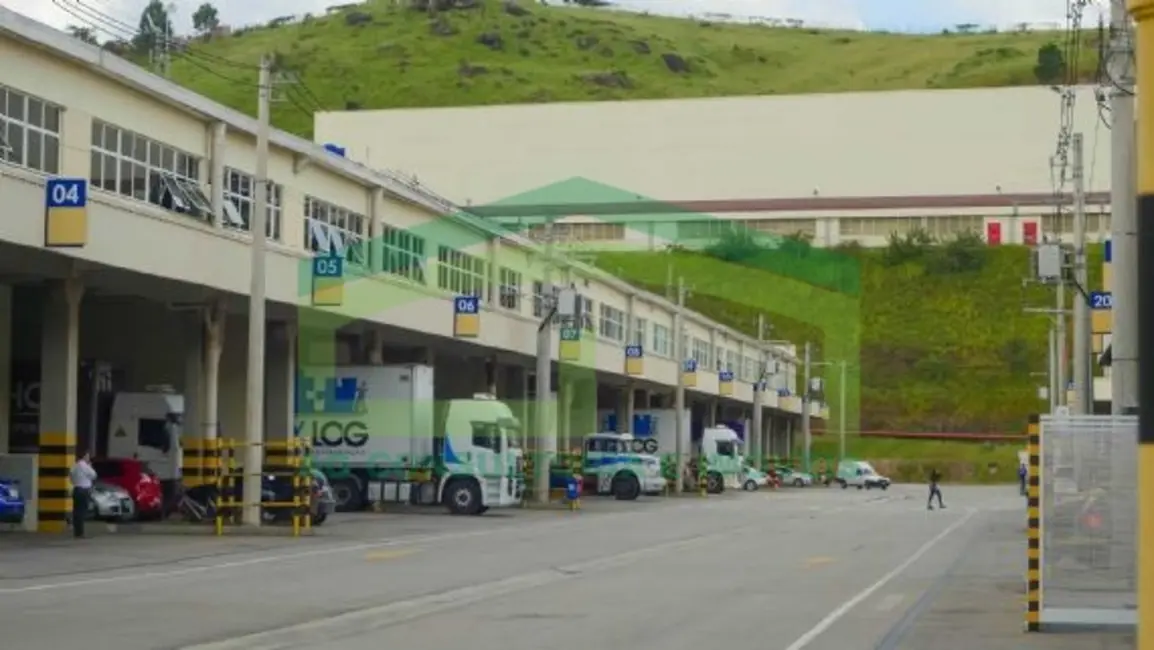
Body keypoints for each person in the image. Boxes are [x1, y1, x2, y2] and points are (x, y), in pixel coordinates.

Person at [70, 451, 97, 538]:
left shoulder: (74, 466)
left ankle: (77, 532)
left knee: (76, 511)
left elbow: (71, 477)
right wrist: (90, 465)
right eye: (88, 456)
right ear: (84, 456)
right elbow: (94, 475)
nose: (88, 458)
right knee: (82, 511)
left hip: (76, 489)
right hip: (84, 490)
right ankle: (80, 533)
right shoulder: (85, 466)